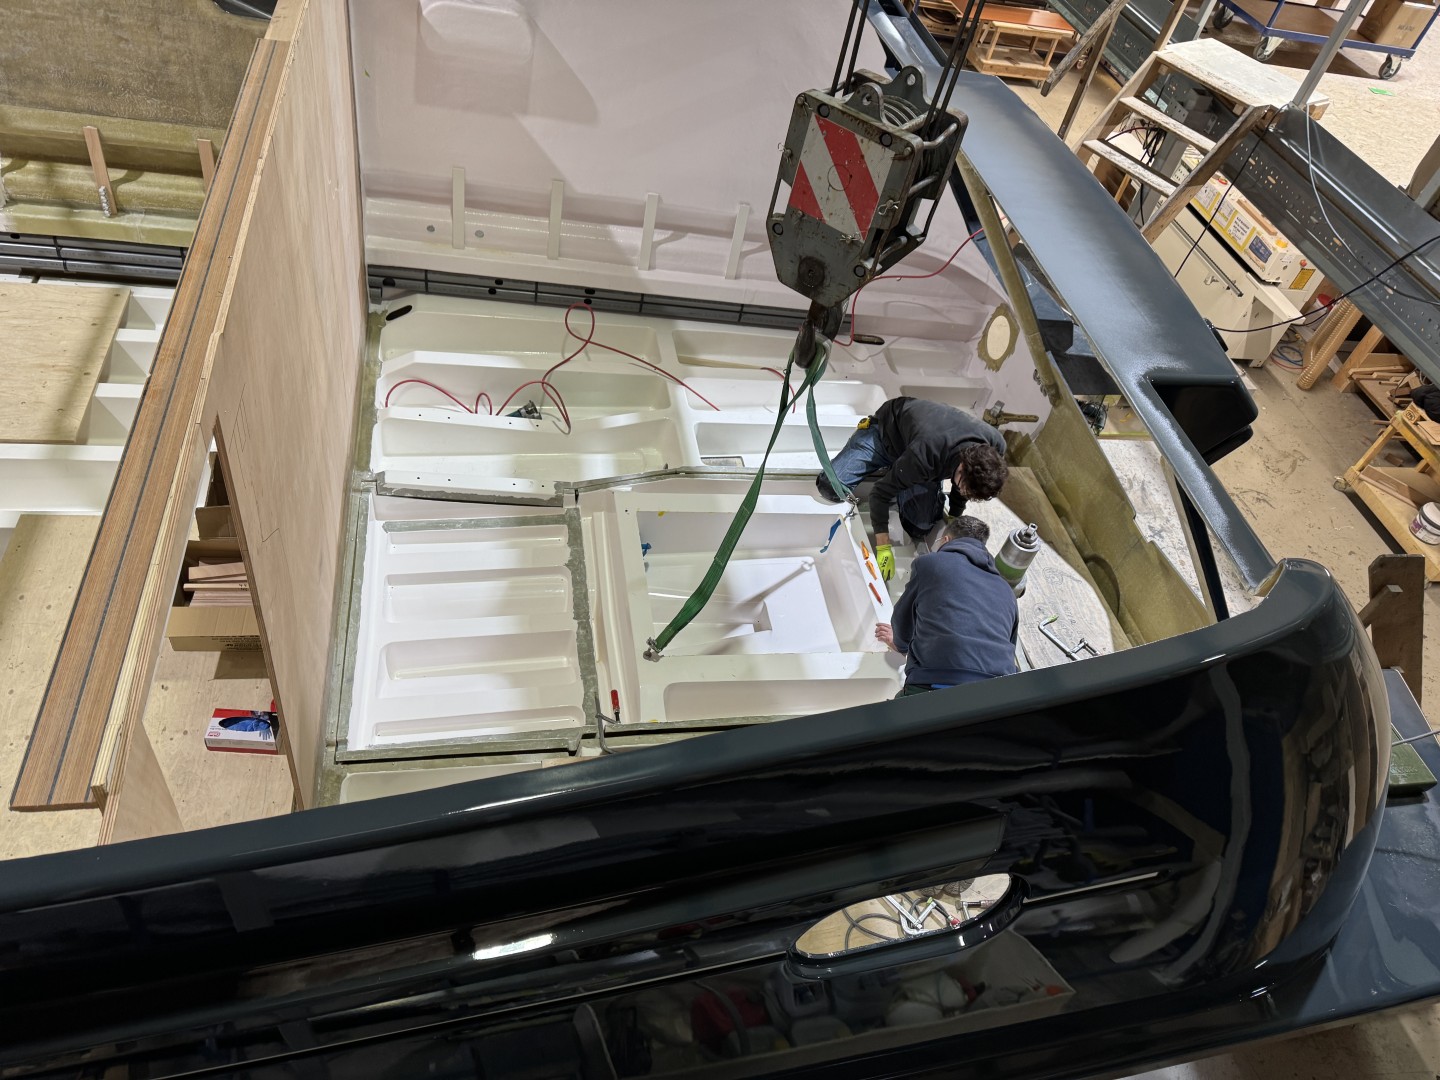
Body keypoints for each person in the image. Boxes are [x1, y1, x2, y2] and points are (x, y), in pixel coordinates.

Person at [816, 396, 1007, 580]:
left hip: (922, 449)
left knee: (920, 527)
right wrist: (883, 546)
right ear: (963, 466)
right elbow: (879, 494)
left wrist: (955, 516)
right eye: (964, 488)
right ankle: (880, 455)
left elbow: (966, 485)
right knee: (830, 488)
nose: (964, 493)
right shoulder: (927, 455)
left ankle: (903, 474)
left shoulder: (996, 446)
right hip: (887, 435)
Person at [874, 515, 1018, 696]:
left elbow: (902, 618)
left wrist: (900, 644)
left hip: (937, 683)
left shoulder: (930, 563)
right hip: (1001, 692)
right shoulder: (1007, 591)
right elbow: (1008, 646)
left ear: (946, 540)